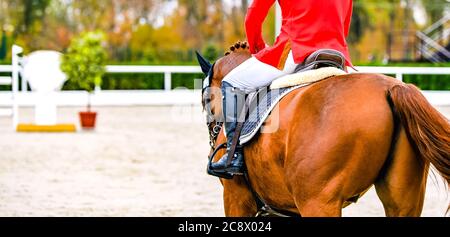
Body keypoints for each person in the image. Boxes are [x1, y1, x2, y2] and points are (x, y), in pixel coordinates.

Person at [210, 0, 354, 178]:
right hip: (336, 53)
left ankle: (233, 156)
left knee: (232, 82)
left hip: (295, 49)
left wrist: (259, 49)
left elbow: (254, 16)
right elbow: (344, 24)